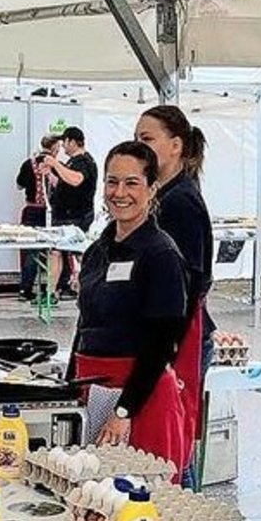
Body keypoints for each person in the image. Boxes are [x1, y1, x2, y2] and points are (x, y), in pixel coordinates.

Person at [70, 141, 189, 481]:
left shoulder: (161, 254)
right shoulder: (97, 252)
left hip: (141, 397)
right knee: (91, 495)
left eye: (132, 183)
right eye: (112, 182)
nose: (119, 193)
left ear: (152, 189)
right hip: (92, 387)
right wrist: (68, 387)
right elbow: (84, 325)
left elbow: (162, 343)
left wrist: (123, 410)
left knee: (140, 497)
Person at [135, 105, 213, 474]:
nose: (140, 146)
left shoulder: (179, 202)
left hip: (179, 340)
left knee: (173, 446)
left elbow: (191, 281)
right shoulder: (162, 196)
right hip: (164, 336)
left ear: (176, 145)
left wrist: (166, 348)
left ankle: (183, 505)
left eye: (147, 139)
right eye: (136, 138)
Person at [43, 126, 98, 301]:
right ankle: (51, 291)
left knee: (77, 252)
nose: (63, 147)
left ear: (72, 142)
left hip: (75, 215)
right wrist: (51, 175)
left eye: (64, 142)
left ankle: (91, 285)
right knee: (56, 251)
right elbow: (65, 182)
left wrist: (55, 164)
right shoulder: (72, 162)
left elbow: (76, 180)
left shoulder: (84, 162)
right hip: (64, 214)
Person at [17, 134, 61, 301]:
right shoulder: (57, 165)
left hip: (31, 209)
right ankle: (54, 287)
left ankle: (25, 288)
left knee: (31, 250)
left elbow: (19, 185)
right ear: (54, 148)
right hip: (50, 211)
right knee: (55, 250)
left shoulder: (28, 163)